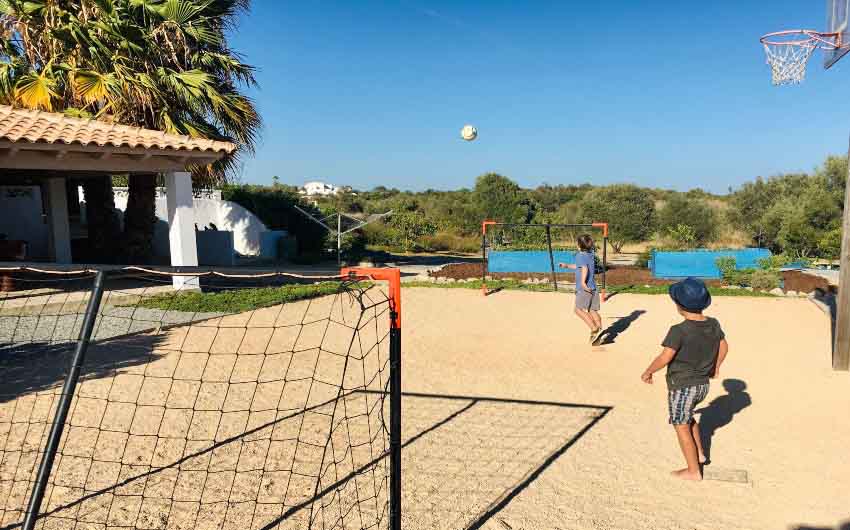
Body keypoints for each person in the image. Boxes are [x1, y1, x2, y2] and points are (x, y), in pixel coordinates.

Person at [640, 277, 729, 481]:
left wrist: (648, 371)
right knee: (688, 417)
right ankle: (699, 454)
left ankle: (693, 471)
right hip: (702, 386)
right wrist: (715, 367)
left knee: (680, 425)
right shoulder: (713, 324)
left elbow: (665, 356)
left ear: (678, 306)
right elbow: (724, 346)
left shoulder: (678, 331)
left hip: (682, 387)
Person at [558, 234, 602, 344]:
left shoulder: (580, 255)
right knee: (592, 310)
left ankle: (593, 328)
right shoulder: (590, 254)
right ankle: (599, 327)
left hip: (584, 289)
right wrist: (567, 266)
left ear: (579, 245)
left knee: (577, 310)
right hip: (593, 287)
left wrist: (582, 283)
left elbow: (584, 268)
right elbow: (580, 266)